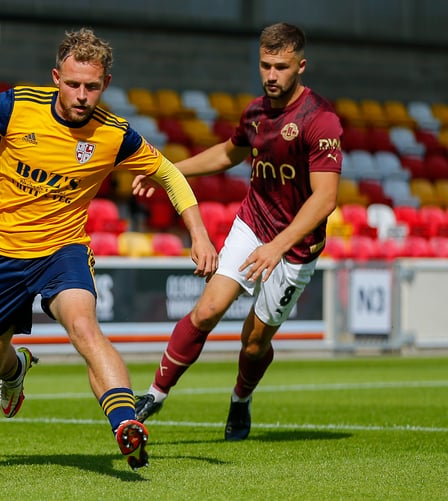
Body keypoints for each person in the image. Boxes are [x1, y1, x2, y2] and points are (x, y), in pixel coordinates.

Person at [0, 27, 218, 470]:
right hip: (3, 253)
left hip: (63, 251)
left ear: (105, 85)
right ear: (56, 78)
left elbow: (169, 174)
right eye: (72, 83)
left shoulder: (115, 135)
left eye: (91, 86)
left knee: (84, 328)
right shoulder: (15, 106)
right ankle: (16, 371)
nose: (81, 94)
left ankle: (126, 424)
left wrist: (198, 233)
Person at [132, 22, 342, 441]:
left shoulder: (322, 121)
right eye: (265, 65)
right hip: (253, 222)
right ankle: (154, 394)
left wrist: (277, 248)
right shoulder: (256, 111)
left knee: (253, 343)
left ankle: (241, 400)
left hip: (296, 246)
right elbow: (230, 153)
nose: (271, 75)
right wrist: (166, 172)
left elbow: (324, 200)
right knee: (208, 310)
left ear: (300, 66)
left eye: (280, 67)